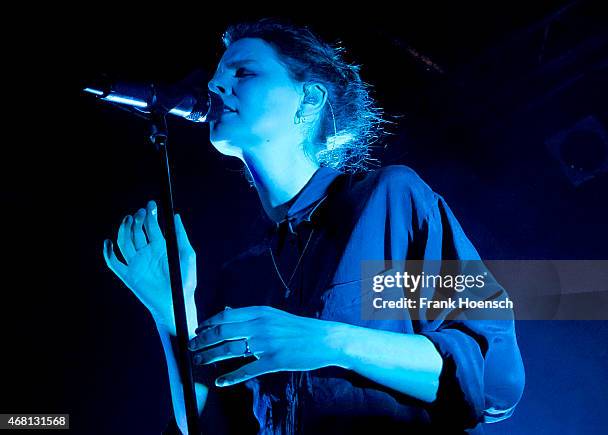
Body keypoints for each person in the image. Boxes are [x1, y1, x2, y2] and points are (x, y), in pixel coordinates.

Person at [102, 19, 525, 434]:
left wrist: (328, 342)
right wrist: (170, 311)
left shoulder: (390, 199)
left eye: (244, 71)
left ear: (309, 100)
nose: (214, 86)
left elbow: (494, 380)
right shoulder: (243, 275)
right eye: (215, 76)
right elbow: (209, 425)